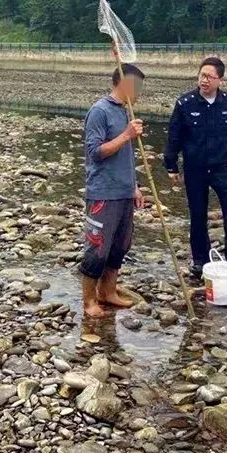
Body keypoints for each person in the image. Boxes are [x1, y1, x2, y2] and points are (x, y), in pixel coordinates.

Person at [164, 57, 227, 281]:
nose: (204, 80)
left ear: (219, 80)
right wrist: (171, 166)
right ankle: (200, 259)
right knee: (197, 213)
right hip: (195, 168)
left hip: (222, 166)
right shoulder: (185, 103)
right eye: (201, 75)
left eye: (209, 77)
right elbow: (174, 136)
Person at [81, 63, 146, 318]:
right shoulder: (99, 111)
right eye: (136, 86)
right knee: (97, 249)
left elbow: (127, 156)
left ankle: (108, 291)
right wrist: (126, 135)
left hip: (124, 191)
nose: (139, 92)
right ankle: (88, 301)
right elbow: (95, 153)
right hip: (103, 192)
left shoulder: (125, 112)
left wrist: (135, 187)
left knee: (120, 245)